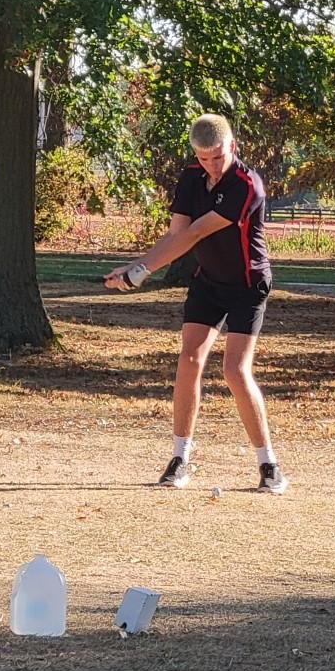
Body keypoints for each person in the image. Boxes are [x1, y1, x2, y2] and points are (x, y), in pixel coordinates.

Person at [104, 113, 287, 494]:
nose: (212, 165)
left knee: (235, 371)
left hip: (247, 284)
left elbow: (195, 233)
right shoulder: (190, 178)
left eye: (218, 157)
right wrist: (135, 267)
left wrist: (139, 271)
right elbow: (175, 235)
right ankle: (179, 458)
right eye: (204, 158)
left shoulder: (246, 185)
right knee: (188, 360)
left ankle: (268, 464)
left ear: (232, 147)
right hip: (209, 282)